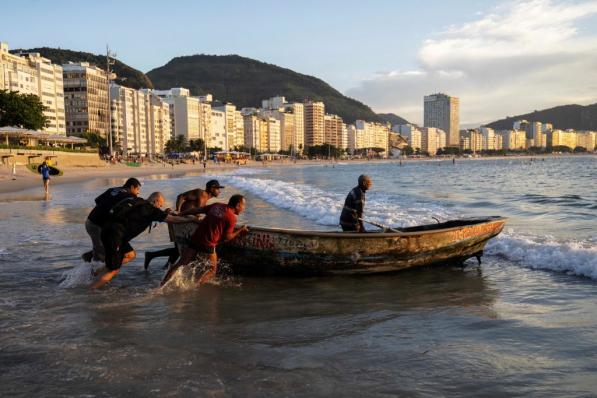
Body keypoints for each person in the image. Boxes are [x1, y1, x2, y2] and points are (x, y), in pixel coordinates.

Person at [91, 192, 197, 289]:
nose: (160, 207)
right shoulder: (151, 210)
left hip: (106, 229)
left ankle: (97, 272)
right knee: (114, 269)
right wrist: (191, 219)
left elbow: (146, 214)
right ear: (156, 201)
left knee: (130, 255)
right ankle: (90, 290)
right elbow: (173, 219)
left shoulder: (137, 201)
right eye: (160, 205)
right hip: (115, 235)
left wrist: (163, 212)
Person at [161, 194, 249, 286]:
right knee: (212, 270)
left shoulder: (217, 205)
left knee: (181, 263)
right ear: (238, 205)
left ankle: (162, 284)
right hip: (208, 243)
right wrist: (241, 230)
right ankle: (195, 287)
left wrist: (180, 213)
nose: (244, 208)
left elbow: (198, 209)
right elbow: (227, 238)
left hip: (196, 238)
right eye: (243, 205)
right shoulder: (231, 218)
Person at [143, 180, 225, 270]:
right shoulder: (200, 192)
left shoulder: (206, 198)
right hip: (180, 221)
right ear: (212, 188)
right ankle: (159, 261)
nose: (219, 191)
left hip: (184, 222)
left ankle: (162, 263)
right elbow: (181, 196)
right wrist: (178, 211)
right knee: (181, 249)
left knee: (179, 249)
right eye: (218, 189)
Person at [82, 178, 142, 263]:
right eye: (137, 189)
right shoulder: (130, 196)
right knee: (103, 255)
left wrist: (106, 210)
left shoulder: (112, 189)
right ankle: (94, 271)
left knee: (102, 250)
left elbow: (97, 201)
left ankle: (90, 260)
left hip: (90, 221)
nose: (138, 192)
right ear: (132, 187)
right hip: (97, 226)